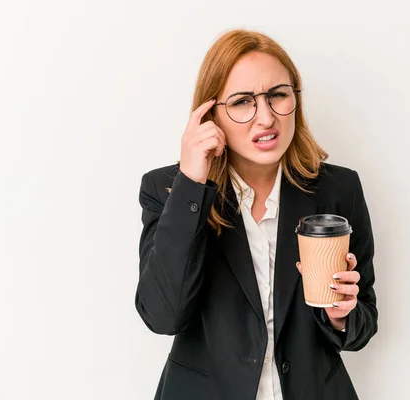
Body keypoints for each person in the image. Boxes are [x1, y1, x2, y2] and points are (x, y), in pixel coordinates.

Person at [135, 29, 378, 400]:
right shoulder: (169, 189)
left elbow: (364, 323)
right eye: (243, 101)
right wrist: (191, 184)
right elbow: (162, 315)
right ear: (210, 113)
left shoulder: (337, 190)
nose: (265, 118)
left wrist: (342, 315)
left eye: (278, 95)